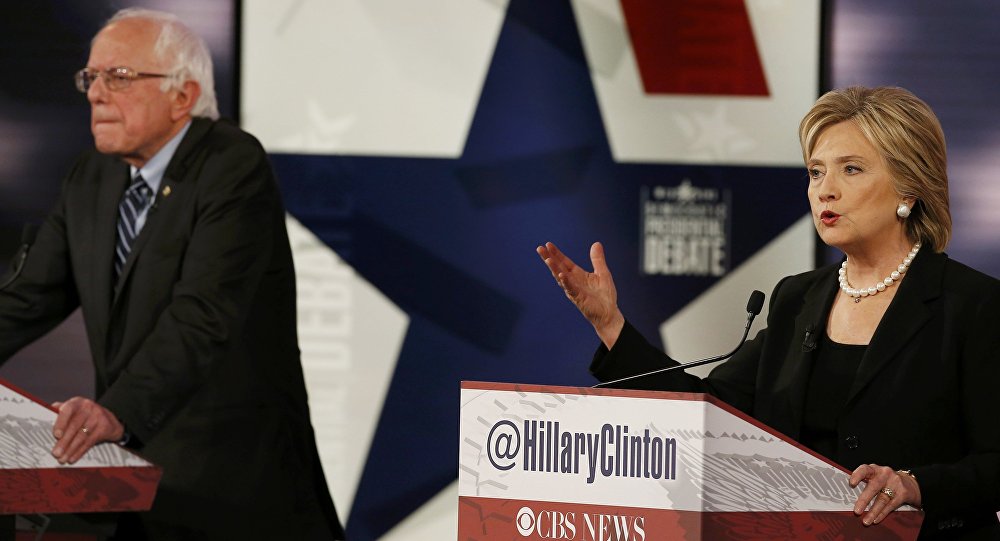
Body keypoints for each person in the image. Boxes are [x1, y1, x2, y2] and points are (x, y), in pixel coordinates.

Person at [538, 86, 1000, 539]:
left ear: (909, 189)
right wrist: (610, 324)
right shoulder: (796, 301)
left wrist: (915, 486)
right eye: (816, 173)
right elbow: (710, 415)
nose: (826, 191)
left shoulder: (972, 305)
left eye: (851, 170)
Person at [0, 8, 345, 540]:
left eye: (119, 77)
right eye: (90, 77)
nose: (95, 93)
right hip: (130, 481)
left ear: (182, 96)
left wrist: (115, 411)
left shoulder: (231, 165)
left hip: (231, 486)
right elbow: (27, 298)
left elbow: (202, 315)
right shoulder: (91, 176)